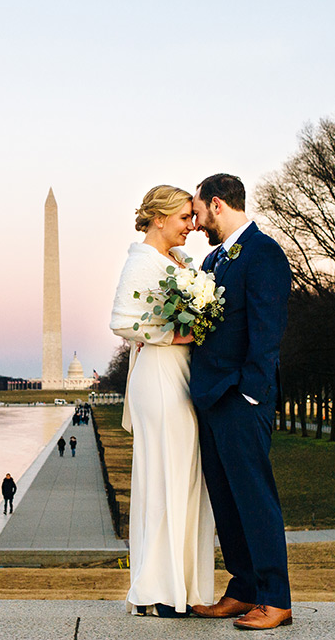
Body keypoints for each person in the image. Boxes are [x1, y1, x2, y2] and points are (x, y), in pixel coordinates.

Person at [188, 174, 292, 630]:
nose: (196, 222)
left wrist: (251, 392)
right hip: (212, 398)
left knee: (254, 499)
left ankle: (276, 598)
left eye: (197, 211)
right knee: (226, 502)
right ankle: (244, 588)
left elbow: (268, 330)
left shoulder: (263, 253)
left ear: (217, 205)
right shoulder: (214, 259)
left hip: (241, 397)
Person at [110, 184, 215, 618]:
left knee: (187, 478)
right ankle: (157, 588)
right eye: (184, 218)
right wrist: (174, 334)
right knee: (164, 477)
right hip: (158, 373)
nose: (192, 226)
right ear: (158, 218)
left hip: (183, 373)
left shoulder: (182, 261)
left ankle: (184, 585)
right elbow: (122, 322)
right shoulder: (142, 262)